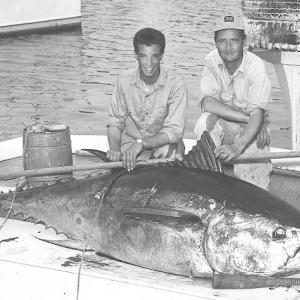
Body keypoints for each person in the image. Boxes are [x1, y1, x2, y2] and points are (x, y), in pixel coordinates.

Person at [194, 15, 272, 190]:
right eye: (222, 41)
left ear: (243, 41)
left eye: (234, 41)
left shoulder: (256, 66)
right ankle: (208, 183)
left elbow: (257, 114)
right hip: (240, 122)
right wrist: (248, 120)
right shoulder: (211, 61)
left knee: (255, 185)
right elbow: (208, 103)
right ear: (215, 42)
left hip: (253, 129)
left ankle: (253, 187)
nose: (228, 47)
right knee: (203, 124)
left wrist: (238, 146)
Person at [106, 27, 188, 171]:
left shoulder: (176, 83)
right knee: (122, 169)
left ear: (162, 56)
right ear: (136, 55)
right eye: (143, 56)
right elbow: (115, 122)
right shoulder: (123, 80)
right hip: (130, 144)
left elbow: (174, 131)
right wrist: (114, 149)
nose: (149, 64)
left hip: (162, 144)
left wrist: (143, 143)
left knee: (172, 156)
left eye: (154, 56)